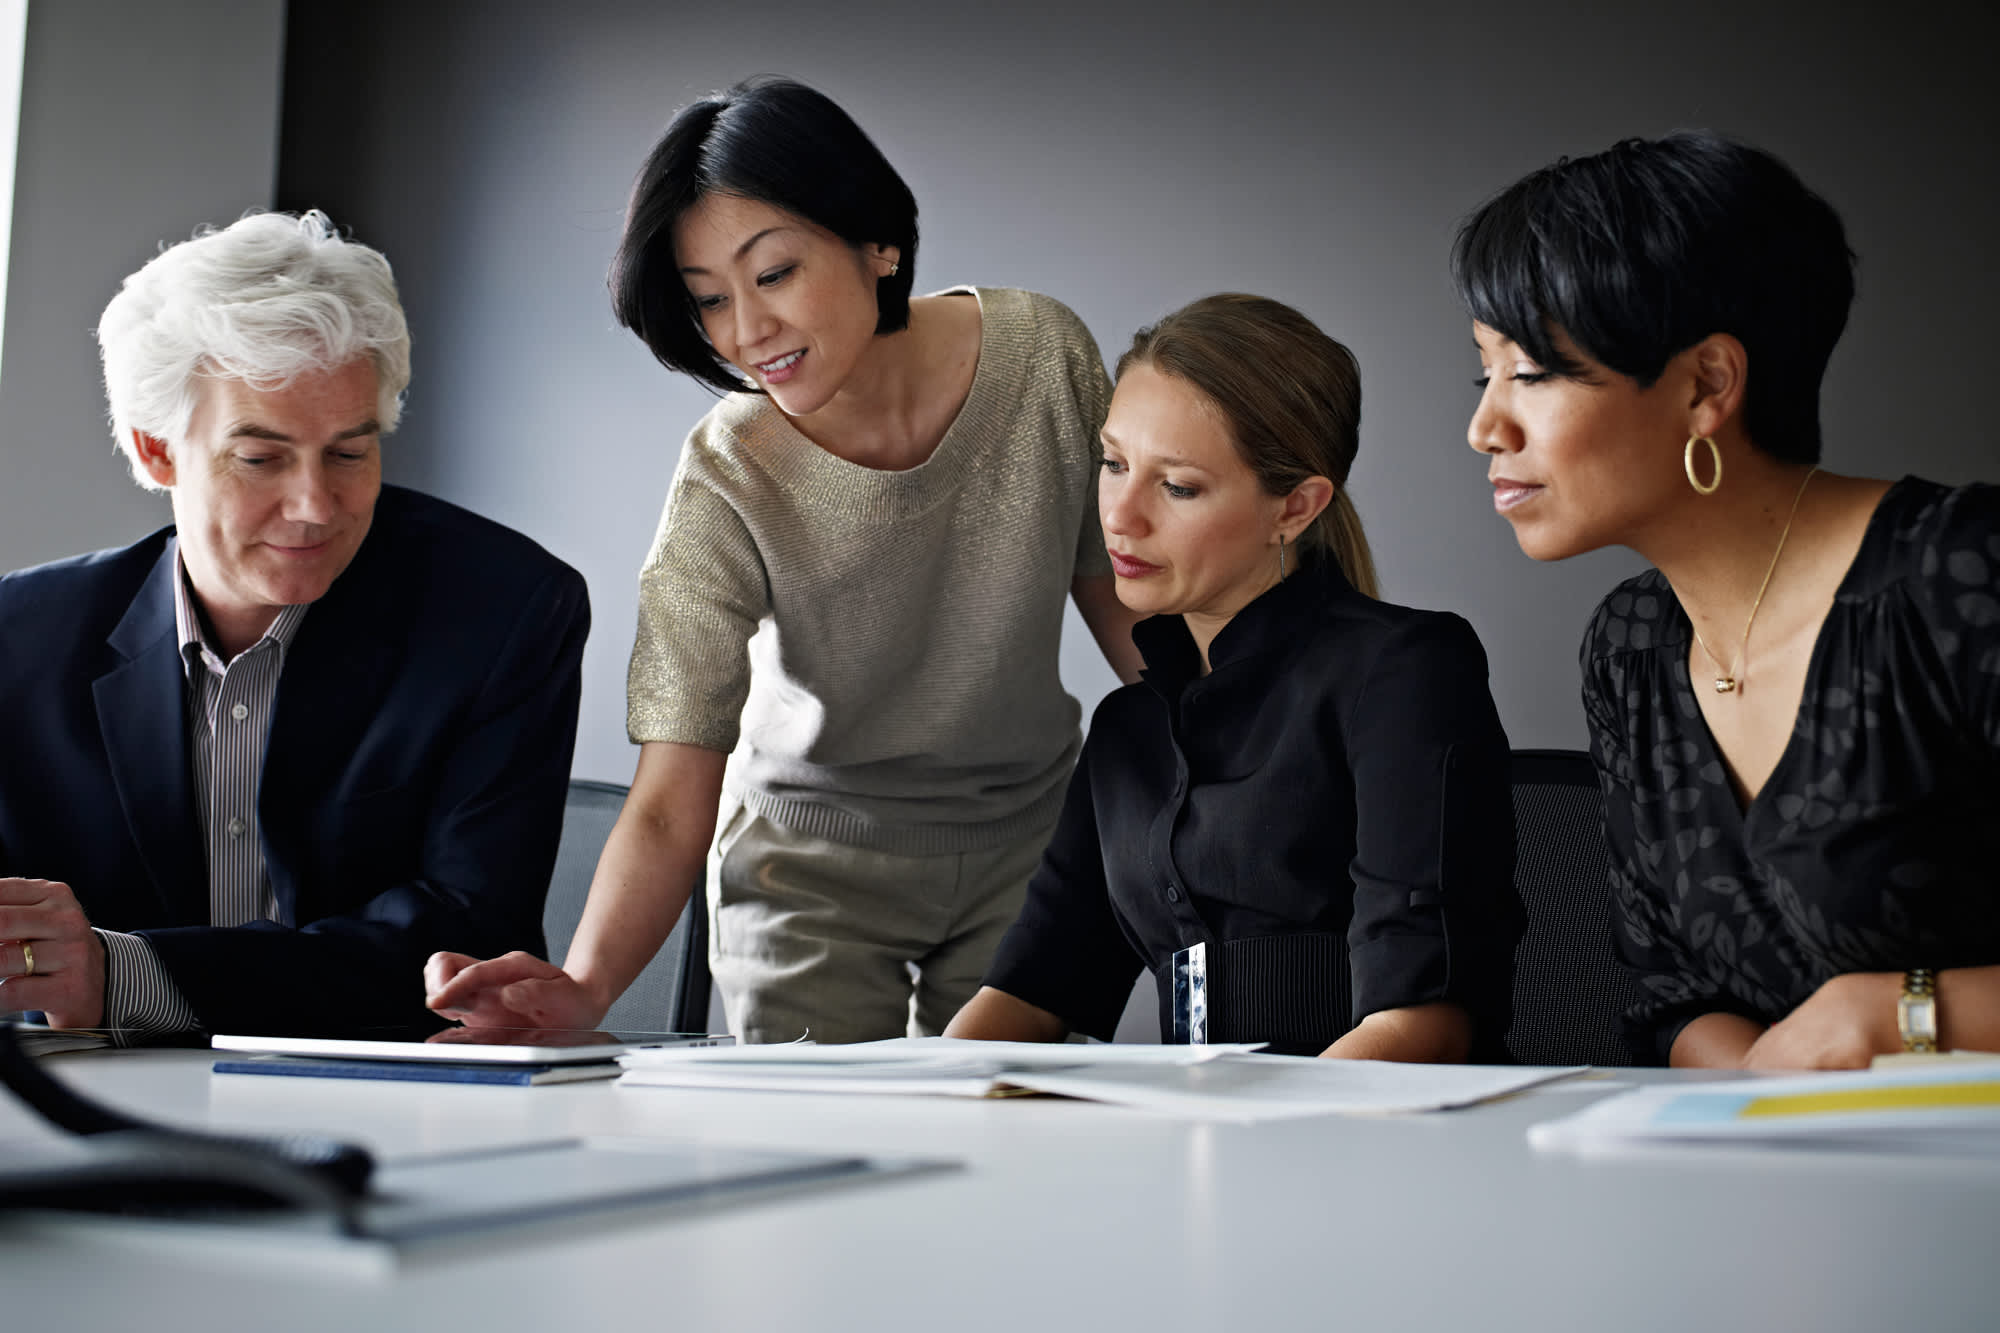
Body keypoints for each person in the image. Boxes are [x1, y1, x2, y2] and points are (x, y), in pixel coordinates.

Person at [425, 78, 1142, 1044]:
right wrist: (586, 987)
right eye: (709, 299)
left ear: (878, 241)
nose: (745, 332)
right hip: (804, 870)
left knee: (1010, 1126)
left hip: (1031, 846)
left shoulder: (1042, 357)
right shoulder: (728, 472)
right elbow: (671, 791)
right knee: (818, 1130)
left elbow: (1128, 611)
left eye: (773, 273)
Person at [1456, 132, 2000, 1069]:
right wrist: (1756, 1093)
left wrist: (1905, 1014)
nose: (1484, 427)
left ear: (1707, 384)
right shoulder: (1630, 647)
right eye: (1485, 372)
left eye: (1532, 373)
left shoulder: (1962, 572)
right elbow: (1673, 997)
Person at [0, 211, 590, 1039]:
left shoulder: (503, 609)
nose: (316, 505)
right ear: (155, 449)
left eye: (350, 452)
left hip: (392, 1095)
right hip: (83, 1098)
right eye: (261, 458)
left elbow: (465, 944)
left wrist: (125, 975)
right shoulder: (18, 640)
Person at [945, 294, 1520, 1060]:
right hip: (1200, 1120)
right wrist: (920, 1096)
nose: (1119, 515)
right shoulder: (1128, 729)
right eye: (1114, 464)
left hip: (1375, 1121)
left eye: (1177, 486)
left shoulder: (1404, 672)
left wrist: (1251, 1130)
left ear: (1296, 507)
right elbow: (1029, 991)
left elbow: (1420, 1023)